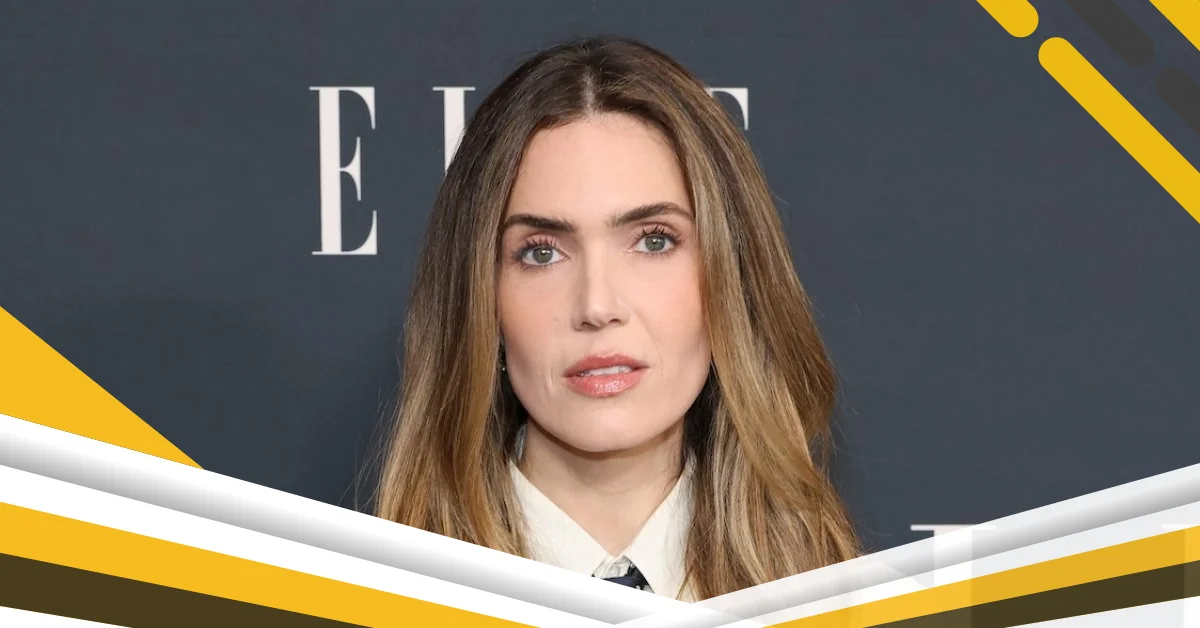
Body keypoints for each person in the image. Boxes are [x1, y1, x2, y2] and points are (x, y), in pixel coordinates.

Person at [374, 36, 859, 601]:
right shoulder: (374, 604)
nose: (597, 306)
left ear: (732, 277)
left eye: (653, 241)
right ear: (479, 300)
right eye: (542, 252)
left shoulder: (844, 606)